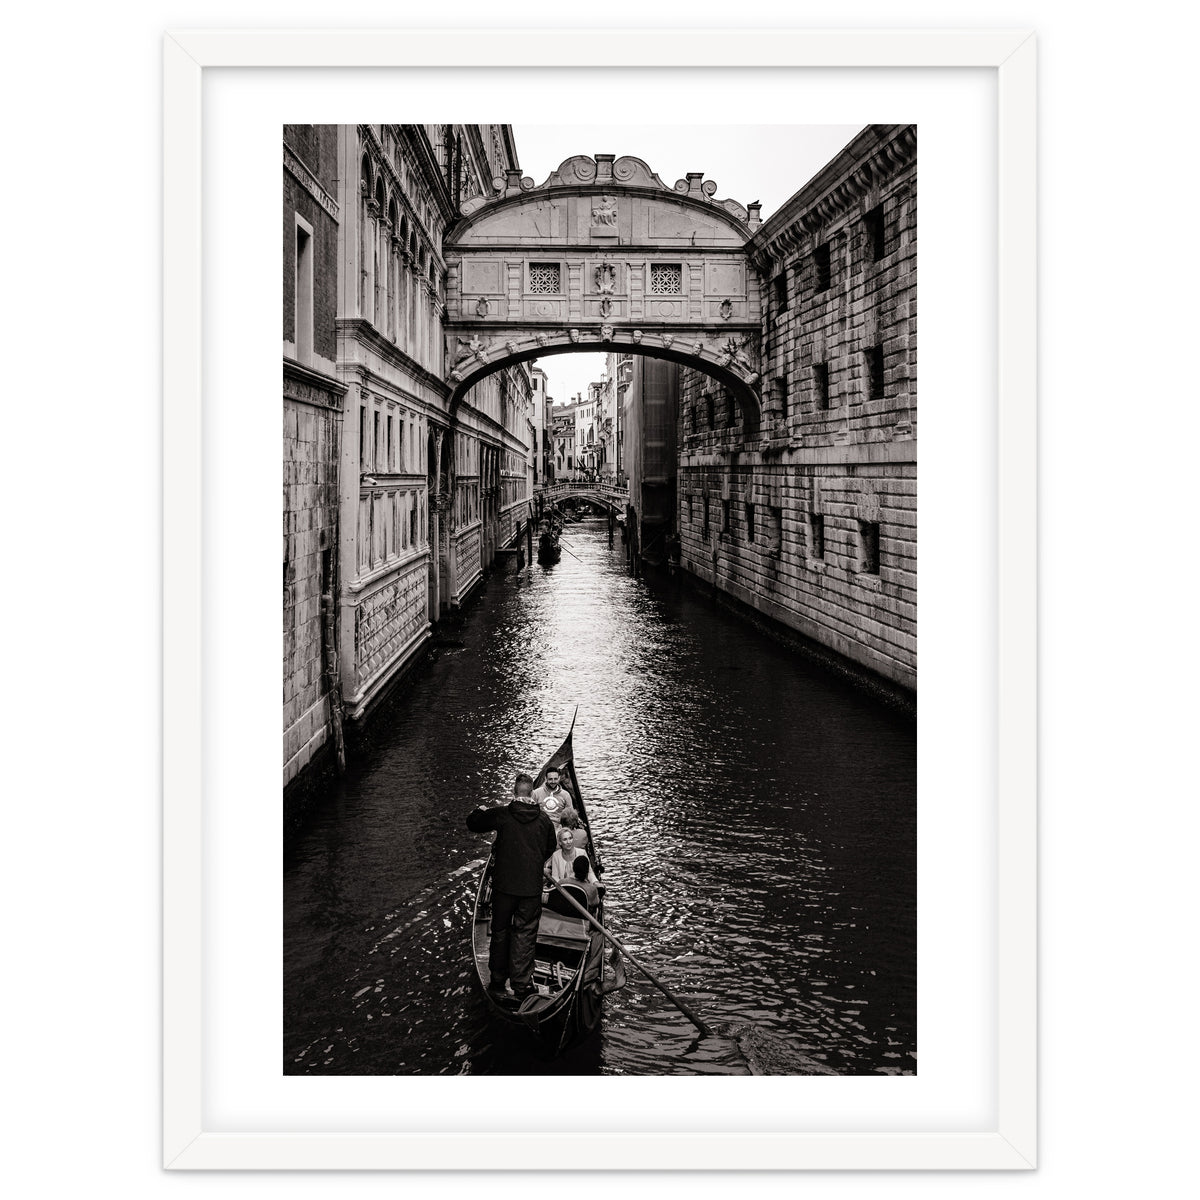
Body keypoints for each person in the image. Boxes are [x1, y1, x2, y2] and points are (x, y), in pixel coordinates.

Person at [466, 772, 557, 1000]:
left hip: (504, 888)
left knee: (500, 931)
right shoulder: (544, 820)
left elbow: (473, 823)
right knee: (525, 934)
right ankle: (522, 985)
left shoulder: (502, 815)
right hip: (530, 890)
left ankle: (497, 980)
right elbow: (549, 849)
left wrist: (480, 809)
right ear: (532, 794)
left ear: (514, 792)